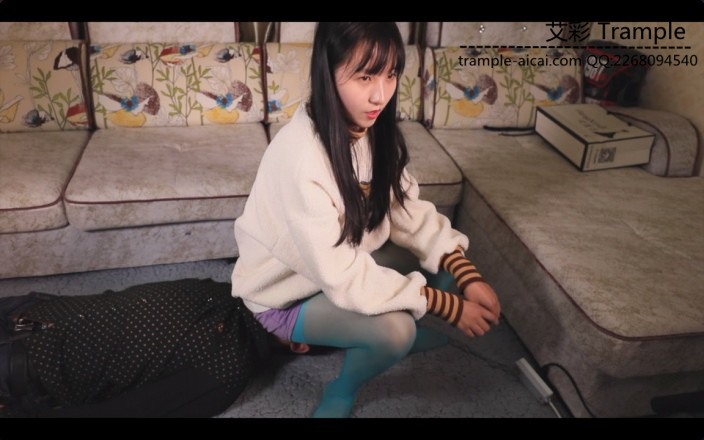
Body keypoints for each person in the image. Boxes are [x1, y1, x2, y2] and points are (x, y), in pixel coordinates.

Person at [231, 22, 502, 418]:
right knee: (395, 332)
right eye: (365, 77)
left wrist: (467, 274)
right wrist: (449, 308)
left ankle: (394, 324)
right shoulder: (301, 158)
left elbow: (406, 209)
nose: (381, 94)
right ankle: (343, 389)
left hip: (338, 265)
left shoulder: (368, 127)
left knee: (441, 266)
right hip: (286, 295)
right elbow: (342, 276)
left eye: (390, 74)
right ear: (328, 72)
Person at [0, 278, 285, 418]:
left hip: (23, 369)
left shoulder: (229, 366)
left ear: (299, 344)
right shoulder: (222, 290)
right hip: (26, 310)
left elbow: (125, 412)